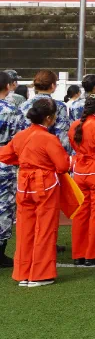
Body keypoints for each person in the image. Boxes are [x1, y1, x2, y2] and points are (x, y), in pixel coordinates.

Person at [0, 97, 70, 287]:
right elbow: (63, 166)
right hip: (45, 185)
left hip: (24, 184)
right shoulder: (49, 138)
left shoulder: (20, 136)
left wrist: (24, 162)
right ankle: (40, 274)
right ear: (48, 118)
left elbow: (5, 155)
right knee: (45, 229)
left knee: (24, 229)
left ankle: (23, 273)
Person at [68, 93, 95, 266]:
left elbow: (74, 146)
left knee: (80, 214)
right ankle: (93, 254)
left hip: (80, 172)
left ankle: (78, 253)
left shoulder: (74, 126)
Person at [19, 70, 75, 157]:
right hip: (48, 154)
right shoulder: (59, 106)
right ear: (52, 85)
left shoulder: (23, 105)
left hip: (26, 154)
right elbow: (62, 137)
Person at [0, 71, 21, 268]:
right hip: (5, 162)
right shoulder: (11, 110)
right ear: (8, 86)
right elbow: (20, 138)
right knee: (4, 207)